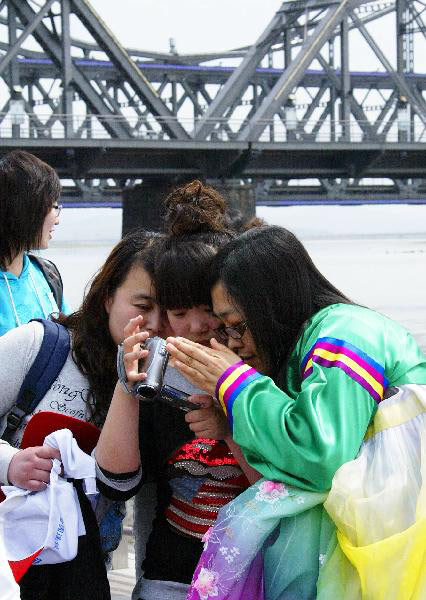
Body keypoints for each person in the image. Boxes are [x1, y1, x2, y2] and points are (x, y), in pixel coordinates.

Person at [164, 225, 426, 600]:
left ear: (274, 305)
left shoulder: (343, 335)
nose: (234, 343)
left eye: (240, 326)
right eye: (225, 329)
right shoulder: (309, 345)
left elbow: (321, 457)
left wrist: (236, 383)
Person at [95, 180, 259, 600]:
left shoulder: (261, 369)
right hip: (170, 575)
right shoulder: (159, 376)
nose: (197, 326)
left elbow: (275, 485)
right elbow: (117, 481)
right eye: (179, 312)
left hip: (253, 573)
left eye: (208, 308)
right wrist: (125, 383)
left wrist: (228, 425)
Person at [0, 229, 166, 600]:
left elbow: (137, 491)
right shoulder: (41, 346)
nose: (154, 323)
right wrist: (10, 462)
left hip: (85, 568)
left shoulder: (161, 381)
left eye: (169, 310)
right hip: (8, 558)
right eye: (142, 306)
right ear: (107, 298)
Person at [0, 150, 69, 336]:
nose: (57, 220)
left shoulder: (47, 275)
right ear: (27, 208)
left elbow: (74, 343)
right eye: (54, 206)